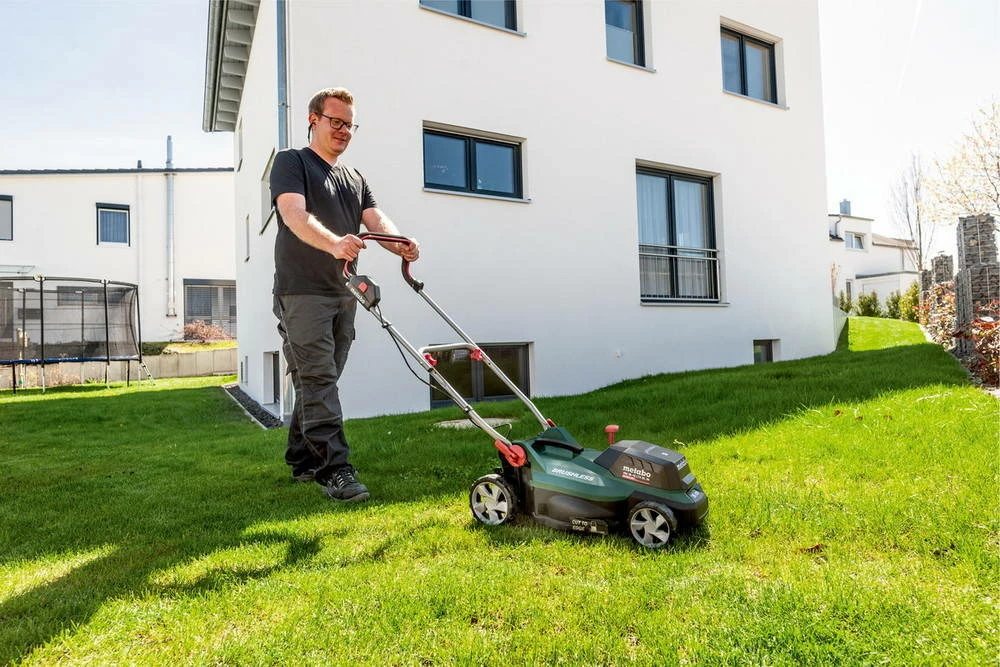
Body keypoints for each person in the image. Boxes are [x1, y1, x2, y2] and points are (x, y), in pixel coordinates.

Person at [269, 87, 419, 502]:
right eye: (336, 122)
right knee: (318, 378)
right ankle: (335, 469)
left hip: (344, 291)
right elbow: (293, 214)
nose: (344, 131)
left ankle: (301, 459)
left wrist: (400, 243)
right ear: (313, 120)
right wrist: (335, 243)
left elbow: (375, 218)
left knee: (321, 378)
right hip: (301, 293)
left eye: (350, 125)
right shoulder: (292, 162)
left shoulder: (355, 178)